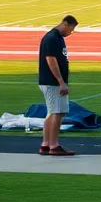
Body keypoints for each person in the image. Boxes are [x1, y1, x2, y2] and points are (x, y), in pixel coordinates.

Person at [38, 15, 79, 157]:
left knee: (52, 112)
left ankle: (46, 143)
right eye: (71, 29)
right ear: (65, 24)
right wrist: (61, 82)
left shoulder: (57, 38)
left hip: (52, 82)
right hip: (52, 82)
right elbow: (51, 60)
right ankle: (53, 145)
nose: (70, 32)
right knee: (57, 112)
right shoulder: (51, 38)